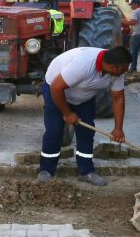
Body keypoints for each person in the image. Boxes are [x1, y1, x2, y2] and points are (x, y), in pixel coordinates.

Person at [37, 46, 131, 186]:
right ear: (113, 67)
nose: (125, 72)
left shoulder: (117, 73)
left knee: (87, 131)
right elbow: (56, 87)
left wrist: (118, 129)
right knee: (54, 131)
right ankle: (46, 170)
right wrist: (67, 113)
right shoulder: (83, 64)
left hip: (84, 97)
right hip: (55, 91)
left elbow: (118, 98)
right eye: (124, 69)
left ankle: (86, 171)